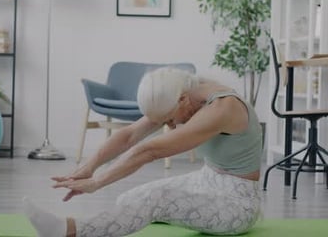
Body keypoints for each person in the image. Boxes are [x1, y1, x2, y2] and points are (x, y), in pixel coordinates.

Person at [24, 67, 264, 237]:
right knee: (130, 201)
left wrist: (97, 182)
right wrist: (88, 167)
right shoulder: (182, 91)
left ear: (182, 100)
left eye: (170, 120)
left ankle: (68, 230)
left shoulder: (222, 108)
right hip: (205, 179)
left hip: (236, 204)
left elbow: (149, 151)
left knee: (156, 201)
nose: (170, 125)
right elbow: (130, 135)